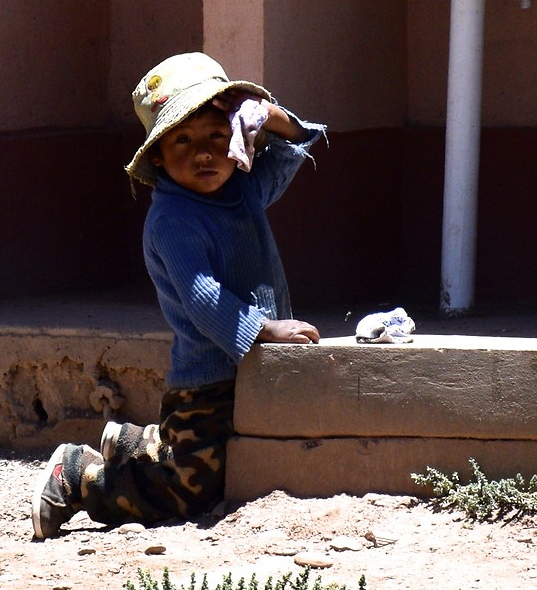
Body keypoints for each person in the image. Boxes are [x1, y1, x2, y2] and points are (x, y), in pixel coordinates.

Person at [33, 52, 323, 538]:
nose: (204, 153)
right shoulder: (173, 221)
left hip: (255, 363)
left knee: (241, 453)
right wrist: (265, 329)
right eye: (183, 141)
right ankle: (82, 476)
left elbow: (298, 148)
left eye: (215, 135)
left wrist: (269, 117)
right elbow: (203, 298)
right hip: (207, 381)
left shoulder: (244, 187)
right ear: (158, 156)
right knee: (190, 490)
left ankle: (136, 442)